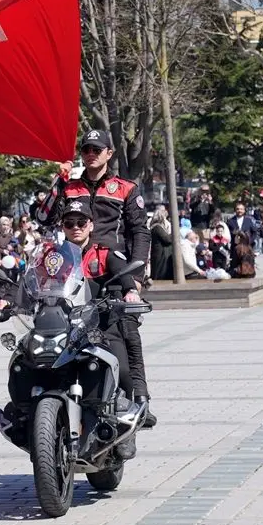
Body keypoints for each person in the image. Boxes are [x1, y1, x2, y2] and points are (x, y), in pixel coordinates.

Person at [0, 201, 140, 459]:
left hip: (99, 324)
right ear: (63, 226)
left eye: (81, 222)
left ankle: (124, 428)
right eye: (69, 223)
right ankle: (21, 414)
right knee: (23, 359)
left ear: (90, 225)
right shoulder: (52, 256)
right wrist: (10, 299)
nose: (75, 227)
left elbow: (125, 277)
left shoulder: (103, 253)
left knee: (122, 365)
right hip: (59, 323)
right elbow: (30, 280)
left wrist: (129, 292)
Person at [35, 129, 153, 425]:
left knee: (126, 334)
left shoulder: (125, 188)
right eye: (86, 149)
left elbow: (140, 231)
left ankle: (139, 399)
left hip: (114, 272)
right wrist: (58, 181)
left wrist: (135, 278)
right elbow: (43, 218)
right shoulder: (69, 186)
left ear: (108, 154)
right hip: (72, 273)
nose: (91, 154)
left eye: (97, 150)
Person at [148, 205, 174, 281]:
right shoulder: (157, 227)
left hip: (158, 253)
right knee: (159, 272)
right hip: (160, 254)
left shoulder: (155, 227)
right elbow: (167, 239)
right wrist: (173, 233)